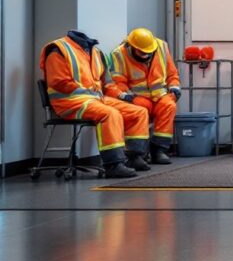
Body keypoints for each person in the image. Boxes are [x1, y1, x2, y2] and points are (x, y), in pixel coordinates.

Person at [40, 31, 150, 177]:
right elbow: (58, 82)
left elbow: (108, 84)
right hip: (69, 102)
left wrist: (122, 95)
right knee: (110, 114)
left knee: (139, 112)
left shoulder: (96, 52)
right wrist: (88, 92)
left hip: (95, 100)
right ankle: (113, 164)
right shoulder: (59, 49)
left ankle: (134, 157)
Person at [105, 28, 181, 165]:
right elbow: (118, 82)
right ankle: (136, 153)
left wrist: (174, 88)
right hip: (137, 97)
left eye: (149, 52)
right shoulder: (119, 54)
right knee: (140, 110)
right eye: (142, 52)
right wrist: (127, 97)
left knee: (169, 105)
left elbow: (172, 74)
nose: (146, 55)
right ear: (132, 47)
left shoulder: (162, 47)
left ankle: (159, 150)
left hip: (160, 96)